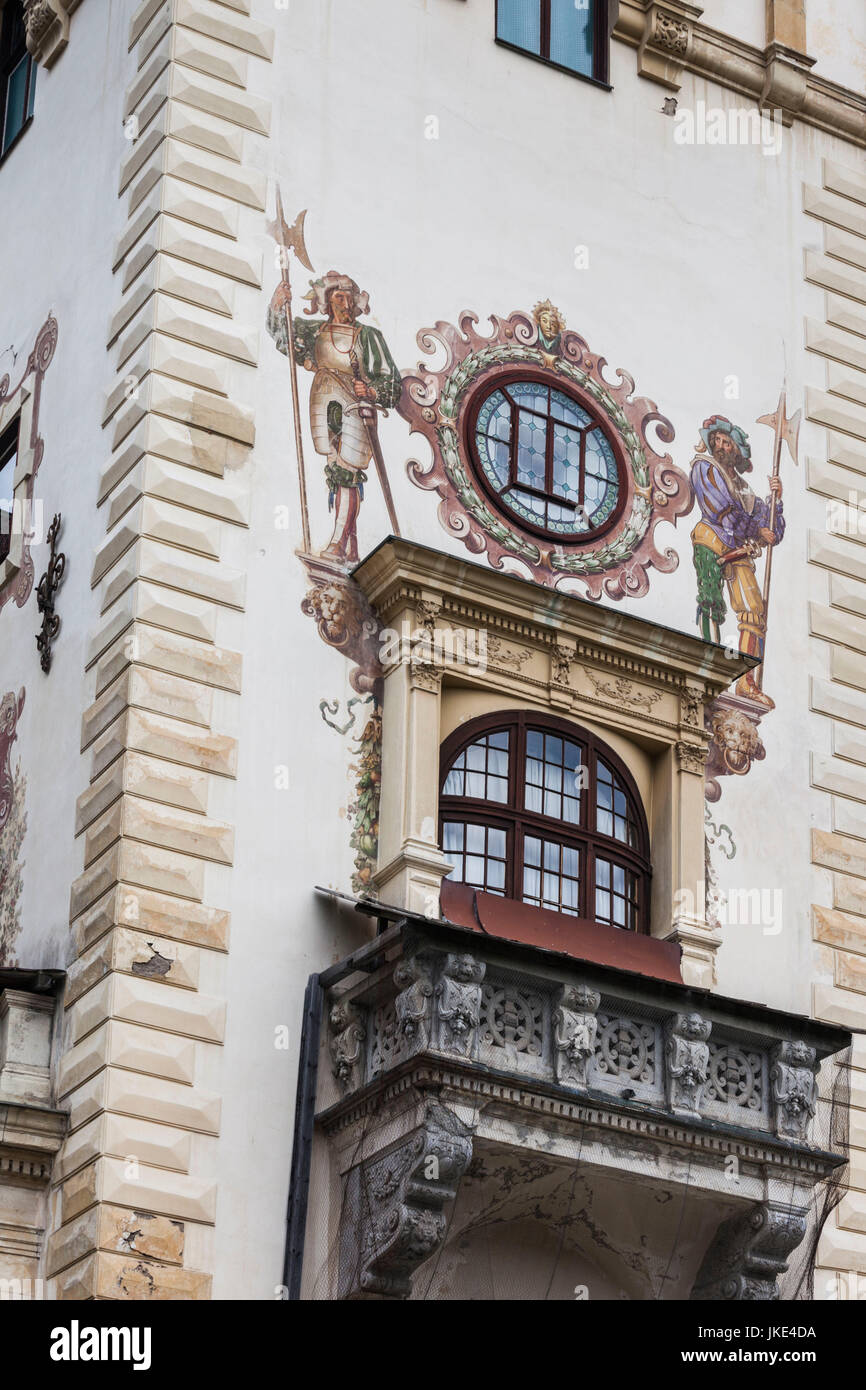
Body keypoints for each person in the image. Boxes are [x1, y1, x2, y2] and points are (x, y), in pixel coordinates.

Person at [267, 270, 402, 562]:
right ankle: (350, 548)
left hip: (355, 406)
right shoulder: (316, 331)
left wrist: (370, 389)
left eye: (348, 296)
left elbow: (392, 383)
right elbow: (284, 338)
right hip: (324, 401)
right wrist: (278, 305)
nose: (344, 301)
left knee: (346, 472)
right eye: (337, 296)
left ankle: (337, 544)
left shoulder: (369, 336)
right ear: (326, 302)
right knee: (335, 472)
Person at [691, 414, 784, 708]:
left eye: (726, 442)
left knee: (754, 610)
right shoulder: (705, 467)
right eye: (716, 441)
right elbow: (720, 509)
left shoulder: (745, 489)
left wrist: (775, 502)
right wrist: (758, 529)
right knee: (711, 604)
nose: (720, 445)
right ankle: (710, 674)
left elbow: (772, 531)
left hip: (739, 549)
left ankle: (746, 682)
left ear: (737, 450)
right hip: (711, 539)